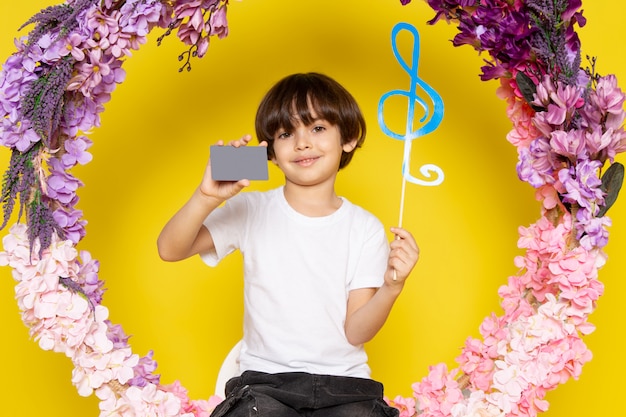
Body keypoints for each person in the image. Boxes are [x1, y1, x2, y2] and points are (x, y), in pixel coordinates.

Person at [157, 72, 419, 417]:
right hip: (265, 385)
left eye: (318, 128)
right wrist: (206, 197)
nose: (302, 143)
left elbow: (356, 331)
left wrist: (391, 287)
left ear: (349, 138)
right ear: (271, 154)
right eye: (285, 133)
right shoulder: (251, 209)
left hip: (345, 387)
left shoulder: (365, 228)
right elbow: (170, 249)